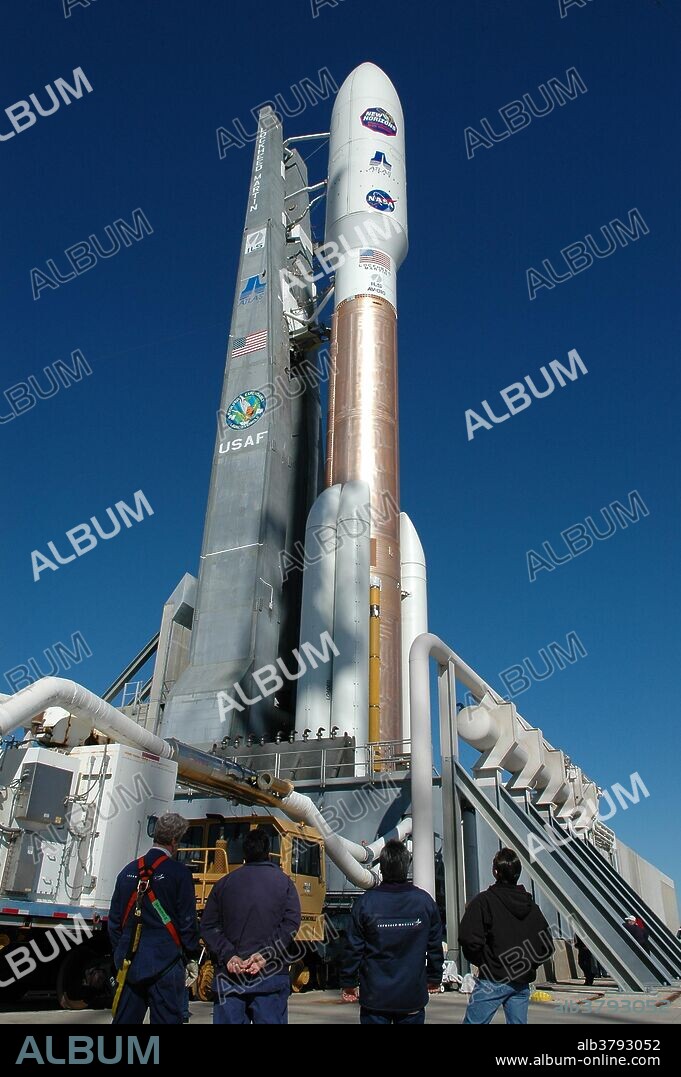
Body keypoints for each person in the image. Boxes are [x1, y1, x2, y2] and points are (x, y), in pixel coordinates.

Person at [200, 826, 301, 1024]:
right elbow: (290, 924)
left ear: (244, 853)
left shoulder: (224, 884)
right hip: (269, 977)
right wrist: (265, 955)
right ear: (268, 852)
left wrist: (229, 955)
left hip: (230, 978)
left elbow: (208, 926)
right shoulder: (285, 884)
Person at [108, 812, 200, 1024]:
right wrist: (191, 955)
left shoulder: (127, 872)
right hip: (166, 962)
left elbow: (114, 922)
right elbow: (187, 920)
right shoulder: (179, 873)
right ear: (175, 841)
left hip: (129, 961)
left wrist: (121, 951)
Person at [340, 839, 443, 1024]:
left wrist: (348, 982)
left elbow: (353, 947)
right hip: (411, 996)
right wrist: (434, 977)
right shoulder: (424, 902)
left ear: (382, 867)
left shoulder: (365, 904)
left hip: (375, 998)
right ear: (407, 866)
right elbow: (434, 944)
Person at [459, 847, 554, 1025]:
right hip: (521, 980)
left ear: (495, 871)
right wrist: (529, 964)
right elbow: (547, 946)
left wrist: (484, 962)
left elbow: (468, 938)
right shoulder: (531, 906)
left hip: (492, 978)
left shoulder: (484, 901)